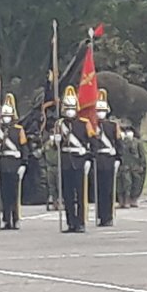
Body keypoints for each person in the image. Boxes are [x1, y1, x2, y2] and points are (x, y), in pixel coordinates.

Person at [54, 86, 94, 233]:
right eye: (67, 107)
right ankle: (70, 222)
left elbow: (93, 142)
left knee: (81, 194)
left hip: (80, 160)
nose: (70, 110)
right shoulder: (60, 124)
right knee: (68, 195)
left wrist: (89, 158)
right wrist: (56, 141)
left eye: (72, 107)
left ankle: (81, 222)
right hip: (65, 161)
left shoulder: (84, 123)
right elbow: (55, 147)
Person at [0, 95, 28, 230]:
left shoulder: (18, 130)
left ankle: (15, 218)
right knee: (4, 194)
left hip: (15, 163)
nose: (6, 117)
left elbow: (24, 148)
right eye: (4, 115)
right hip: (3, 163)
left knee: (14, 194)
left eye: (8, 114)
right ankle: (6, 219)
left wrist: (24, 164)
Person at [92, 89, 121, 227]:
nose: (100, 112)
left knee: (109, 190)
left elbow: (118, 144)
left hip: (109, 159)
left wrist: (118, 159)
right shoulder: (92, 126)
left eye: (102, 110)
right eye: (98, 110)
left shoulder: (113, 126)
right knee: (98, 189)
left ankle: (108, 216)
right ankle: (100, 215)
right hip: (98, 159)